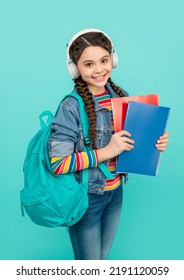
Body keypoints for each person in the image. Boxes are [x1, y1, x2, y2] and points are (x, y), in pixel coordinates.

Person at [48, 28, 169, 260]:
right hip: (87, 198)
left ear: (112, 59)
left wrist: (155, 143)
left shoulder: (122, 96)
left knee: (103, 258)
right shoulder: (71, 107)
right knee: (90, 265)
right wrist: (107, 151)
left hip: (116, 193)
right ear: (74, 69)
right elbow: (58, 163)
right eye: (89, 64)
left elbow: (130, 145)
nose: (99, 69)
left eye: (104, 60)